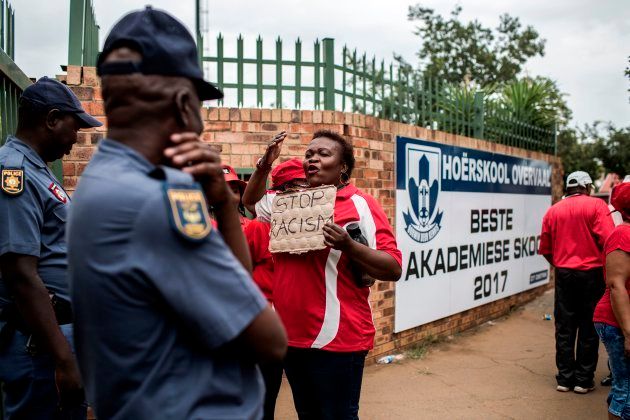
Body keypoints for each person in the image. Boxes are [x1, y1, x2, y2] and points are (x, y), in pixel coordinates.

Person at [66, 7, 287, 419]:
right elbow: (269, 340)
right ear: (185, 101)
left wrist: (222, 201)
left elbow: (231, 282)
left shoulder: (105, 177)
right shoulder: (155, 197)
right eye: (201, 103)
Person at [243, 130, 402, 419]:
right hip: (291, 338)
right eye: (309, 154)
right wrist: (265, 164)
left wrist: (348, 245)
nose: (313, 159)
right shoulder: (291, 204)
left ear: (343, 167)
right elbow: (251, 202)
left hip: (337, 340)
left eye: (324, 154)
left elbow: (392, 267)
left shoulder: (360, 204)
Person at [0, 77, 102, 419]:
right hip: (39, 346)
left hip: (55, 338)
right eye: (75, 126)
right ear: (52, 119)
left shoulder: (39, 170)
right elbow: (20, 273)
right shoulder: (15, 172)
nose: (76, 137)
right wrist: (63, 359)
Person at [539, 170, 615, 394]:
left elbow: (545, 248)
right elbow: (608, 241)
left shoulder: (553, 211)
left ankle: (564, 378)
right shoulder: (597, 207)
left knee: (564, 326)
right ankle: (583, 380)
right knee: (589, 326)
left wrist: (561, 263)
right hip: (592, 274)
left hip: (564, 274)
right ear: (587, 186)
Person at [243, 157, 307, 420]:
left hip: (306, 327)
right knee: (265, 397)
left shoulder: (319, 220)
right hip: (269, 325)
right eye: (293, 188)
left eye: (305, 186)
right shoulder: (261, 226)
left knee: (309, 401)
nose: (301, 193)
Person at [593, 182, 630, 419]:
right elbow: (616, 286)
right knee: (625, 391)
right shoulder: (623, 234)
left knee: (622, 387)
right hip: (617, 322)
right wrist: (628, 333)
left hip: (621, 321)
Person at [222, 164, 251, 228]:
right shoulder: (206, 228)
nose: (231, 197)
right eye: (224, 192)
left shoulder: (250, 227)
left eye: (235, 191)